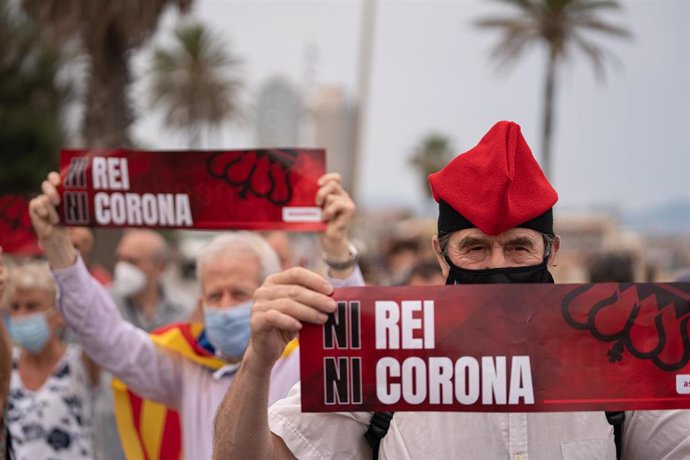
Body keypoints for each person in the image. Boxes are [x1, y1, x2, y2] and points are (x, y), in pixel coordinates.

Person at [213, 121, 690, 459]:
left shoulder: (618, 354)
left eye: (519, 247)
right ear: (441, 255)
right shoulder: (382, 354)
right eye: (475, 249)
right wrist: (258, 361)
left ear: (552, 250)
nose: (498, 266)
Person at [29, 171, 360, 459]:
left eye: (241, 293)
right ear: (200, 303)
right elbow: (106, 337)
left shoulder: (303, 362)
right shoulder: (187, 364)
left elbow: (353, 346)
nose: (226, 305)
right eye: (215, 295)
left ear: (268, 292)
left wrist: (337, 252)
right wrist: (58, 248)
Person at [4, 262, 99, 460]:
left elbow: (94, 322)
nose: (21, 315)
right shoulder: (6, 364)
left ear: (59, 313)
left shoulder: (81, 361)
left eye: (32, 306)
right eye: (15, 307)